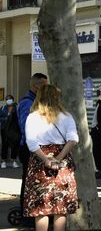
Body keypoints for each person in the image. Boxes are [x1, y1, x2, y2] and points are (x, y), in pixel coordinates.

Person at [23, 84, 79, 231]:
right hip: (63, 161)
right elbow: (73, 139)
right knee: (60, 207)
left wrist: (46, 159)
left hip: (38, 162)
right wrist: (58, 158)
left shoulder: (32, 117)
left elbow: (31, 143)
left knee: (40, 208)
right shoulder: (67, 116)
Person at [17, 72, 48, 226]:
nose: (47, 88)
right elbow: (25, 127)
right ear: (36, 86)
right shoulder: (27, 103)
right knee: (29, 182)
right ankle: (27, 216)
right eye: (44, 85)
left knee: (35, 182)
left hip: (36, 148)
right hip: (29, 148)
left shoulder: (37, 101)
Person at [1, 95, 20, 168]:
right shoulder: (3, 108)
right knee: (4, 144)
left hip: (14, 129)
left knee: (14, 145)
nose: (8, 100)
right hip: (4, 129)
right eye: (7, 99)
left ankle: (14, 161)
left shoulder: (17, 108)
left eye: (10, 99)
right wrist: (6, 118)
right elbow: (0, 118)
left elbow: (19, 117)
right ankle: (3, 161)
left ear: (13, 100)